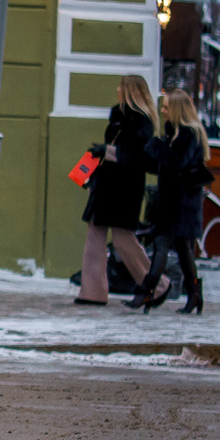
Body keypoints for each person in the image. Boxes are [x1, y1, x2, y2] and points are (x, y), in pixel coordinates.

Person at [79, 74, 155, 306]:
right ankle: (92, 292)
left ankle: (157, 285)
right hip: (107, 183)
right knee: (95, 233)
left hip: (126, 187)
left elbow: (137, 156)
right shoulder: (118, 116)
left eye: (122, 87)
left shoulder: (142, 121)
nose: (117, 89)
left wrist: (108, 151)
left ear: (131, 91)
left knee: (123, 239)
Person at [140, 90, 211, 314]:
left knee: (162, 245)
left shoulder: (189, 134)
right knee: (183, 251)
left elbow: (176, 163)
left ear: (177, 110)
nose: (162, 111)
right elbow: (164, 167)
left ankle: (147, 293)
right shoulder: (175, 134)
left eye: (166, 107)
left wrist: (156, 147)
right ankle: (195, 295)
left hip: (180, 204)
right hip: (175, 202)